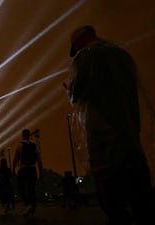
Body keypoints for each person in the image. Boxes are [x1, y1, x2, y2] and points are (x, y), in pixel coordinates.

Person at [66, 25, 155, 225]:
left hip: (103, 139)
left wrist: (70, 91)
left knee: (113, 203)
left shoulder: (85, 58)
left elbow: (76, 94)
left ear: (79, 42)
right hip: (130, 136)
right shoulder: (122, 55)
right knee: (143, 200)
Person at [12, 128, 43, 215]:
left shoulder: (20, 145)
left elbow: (15, 158)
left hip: (23, 169)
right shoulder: (34, 145)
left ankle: (28, 204)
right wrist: (41, 172)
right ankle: (32, 206)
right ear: (29, 135)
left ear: (22, 135)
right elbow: (39, 160)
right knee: (31, 188)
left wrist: (13, 169)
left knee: (21, 188)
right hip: (33, 169)